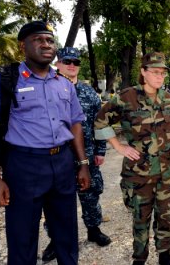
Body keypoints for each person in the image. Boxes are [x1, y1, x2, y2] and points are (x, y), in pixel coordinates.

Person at [0, 21, 90, 265]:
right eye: (38, 40)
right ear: (23, 46)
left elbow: (75, 124)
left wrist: (82, 163)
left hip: (62, 163)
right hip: (24, 166)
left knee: (66, 234)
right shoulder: (2, 80)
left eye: (50, 40)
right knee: (22, 237)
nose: (46, 45)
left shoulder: (64, 83)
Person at [94, 52, 170, 265]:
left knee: (166, 215)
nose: (160, 77)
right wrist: (118, 146)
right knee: (141, 219)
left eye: (163, 73)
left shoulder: (169, 99)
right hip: (139, 174)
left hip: (167, 172)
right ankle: (139, 258)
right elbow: (99, 122)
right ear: (143, 72)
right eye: (155, 72)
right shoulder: (126, 98)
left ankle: (165, 255)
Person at [41, 47, 111, 262]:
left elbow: (99, 123)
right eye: (67, 60)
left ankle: (93, 229)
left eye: (76, 62)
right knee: (55, 201)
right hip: (57, 157)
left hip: (87, 155)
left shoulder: (89, 92)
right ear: (58, 63)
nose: (72, 65)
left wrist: (100, 151)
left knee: (91, 195)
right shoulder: (47, 89)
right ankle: (55, 239)